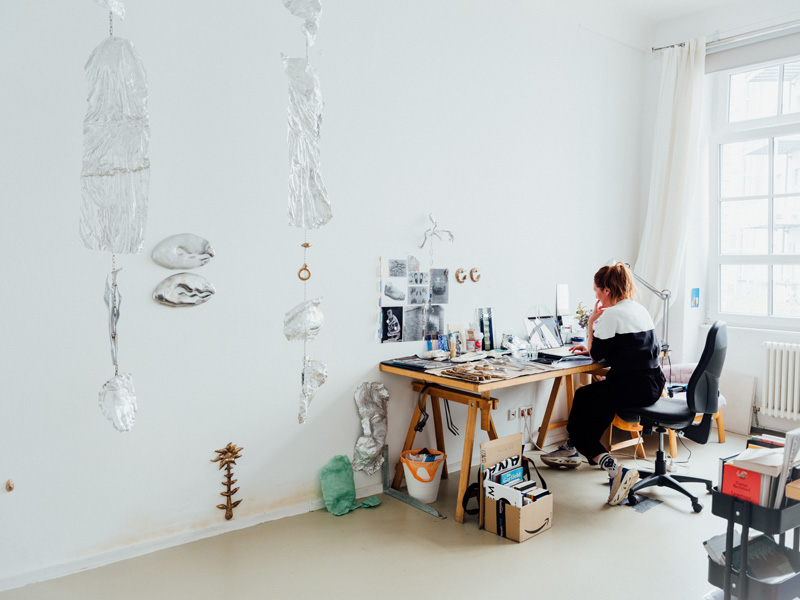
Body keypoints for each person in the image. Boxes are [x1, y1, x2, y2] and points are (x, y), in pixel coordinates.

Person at [540, 262, 666, 506]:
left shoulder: (612, 314)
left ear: (607, 290)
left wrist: (591, 323)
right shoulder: (639, 309)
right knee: (584, 395)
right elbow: (627, 349)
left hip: (631, 387)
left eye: (597, 290)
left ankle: (614, 469)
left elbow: (597, 356)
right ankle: (577, 447)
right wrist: (593, 347)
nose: (596, 295)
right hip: (652, 383)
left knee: (580, 424)